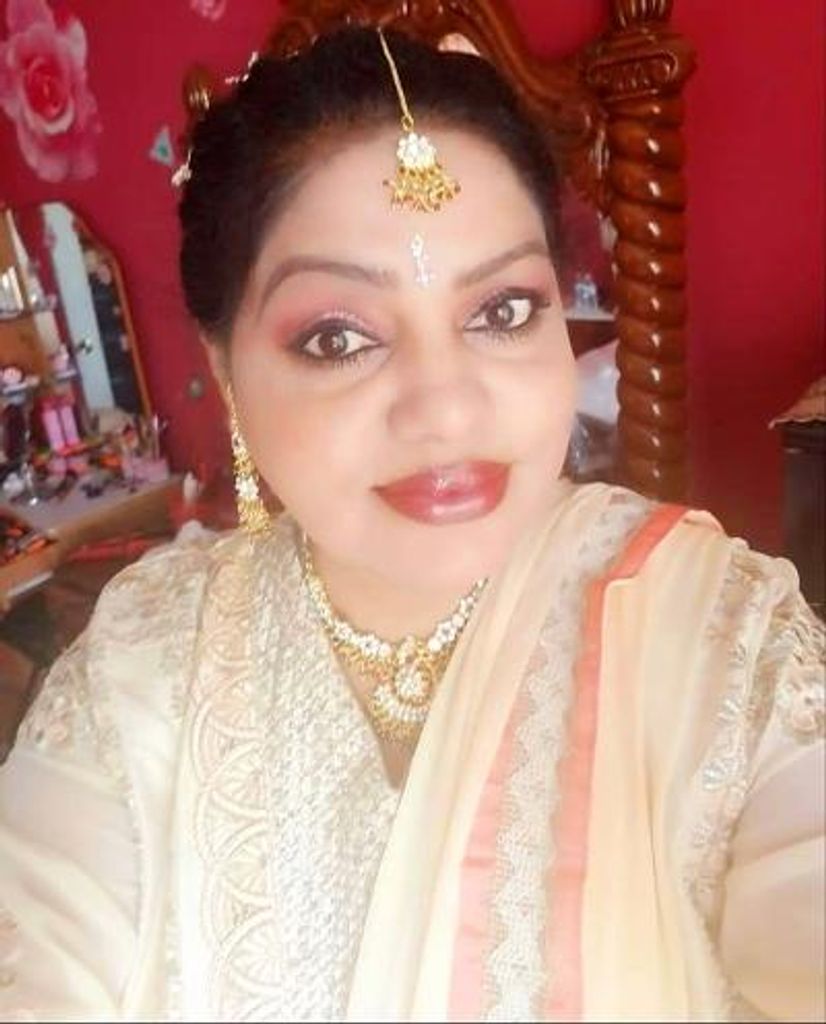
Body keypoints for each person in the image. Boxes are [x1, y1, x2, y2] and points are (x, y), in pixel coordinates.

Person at [0, 26, 823, 1023]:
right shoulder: (143, 660)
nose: (447, 408)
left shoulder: (720, 635)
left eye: (503, 311)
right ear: (225, 371)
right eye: (337, 337)